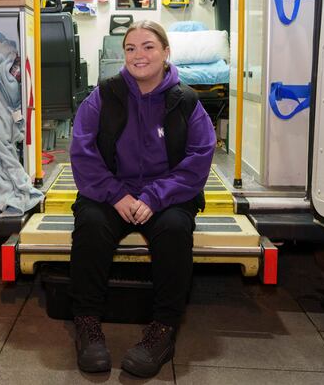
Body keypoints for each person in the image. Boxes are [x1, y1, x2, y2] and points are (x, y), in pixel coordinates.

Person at [68, 20, 216, 378]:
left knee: (176, 230)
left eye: (149, 46)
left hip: (166, 195)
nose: (139, 55)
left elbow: (200, 157)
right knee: (90, 224)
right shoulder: (103, 96)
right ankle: (87, 325)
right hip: (111, 191)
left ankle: (163, 330)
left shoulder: (186, 101)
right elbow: (82, 150)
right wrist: (116, 194)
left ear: (166, 53)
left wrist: (155, 196)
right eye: (131, 48)